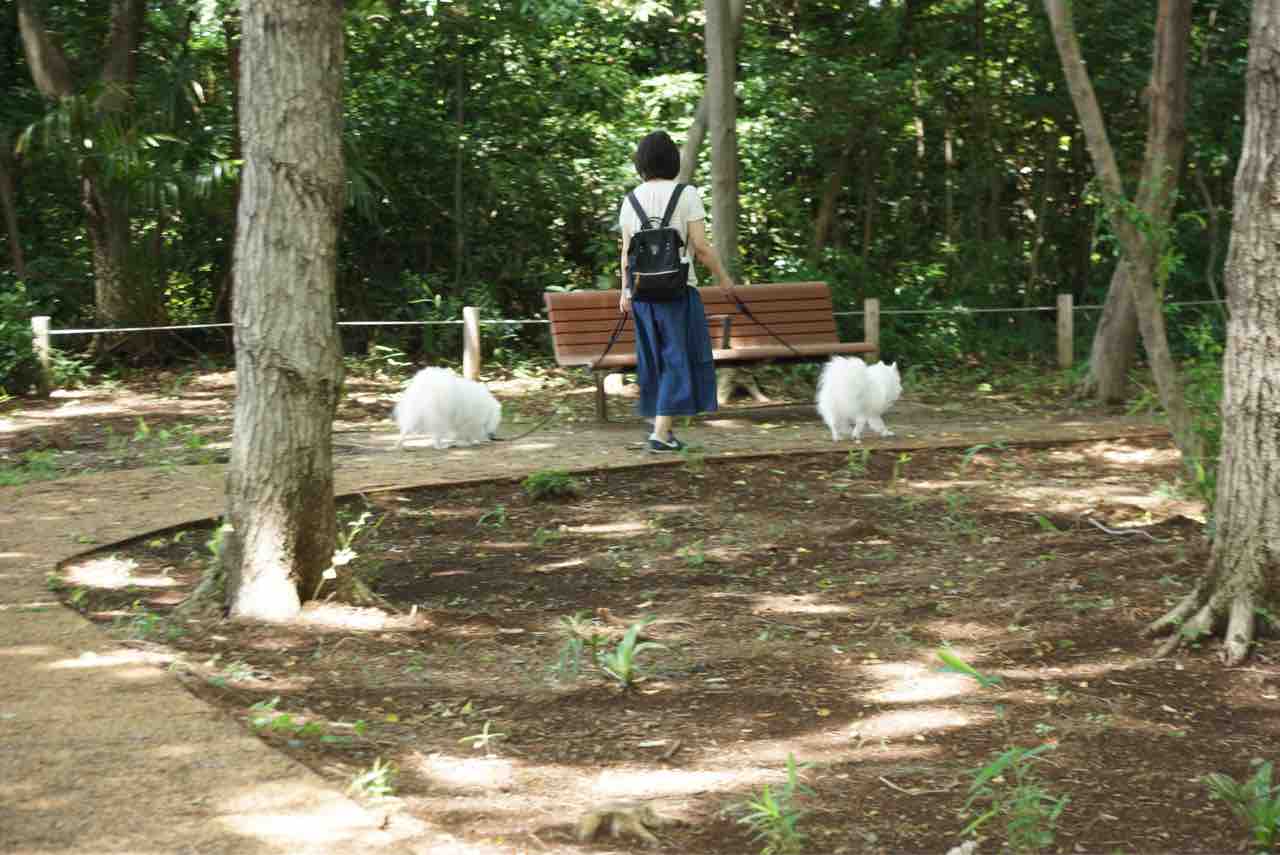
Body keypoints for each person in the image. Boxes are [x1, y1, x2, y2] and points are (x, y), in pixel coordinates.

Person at [619, 130, 738, 452]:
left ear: (641, 163)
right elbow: (700, 248)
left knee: (655, 360)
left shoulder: (630, 201)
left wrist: (624, 292)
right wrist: (724, 279)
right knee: (677, 358)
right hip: (678, 292)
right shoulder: (687, 195)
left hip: (643, 295)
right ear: (673, 161)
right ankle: (660, 433)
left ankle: (664, 430)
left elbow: (627, 252)